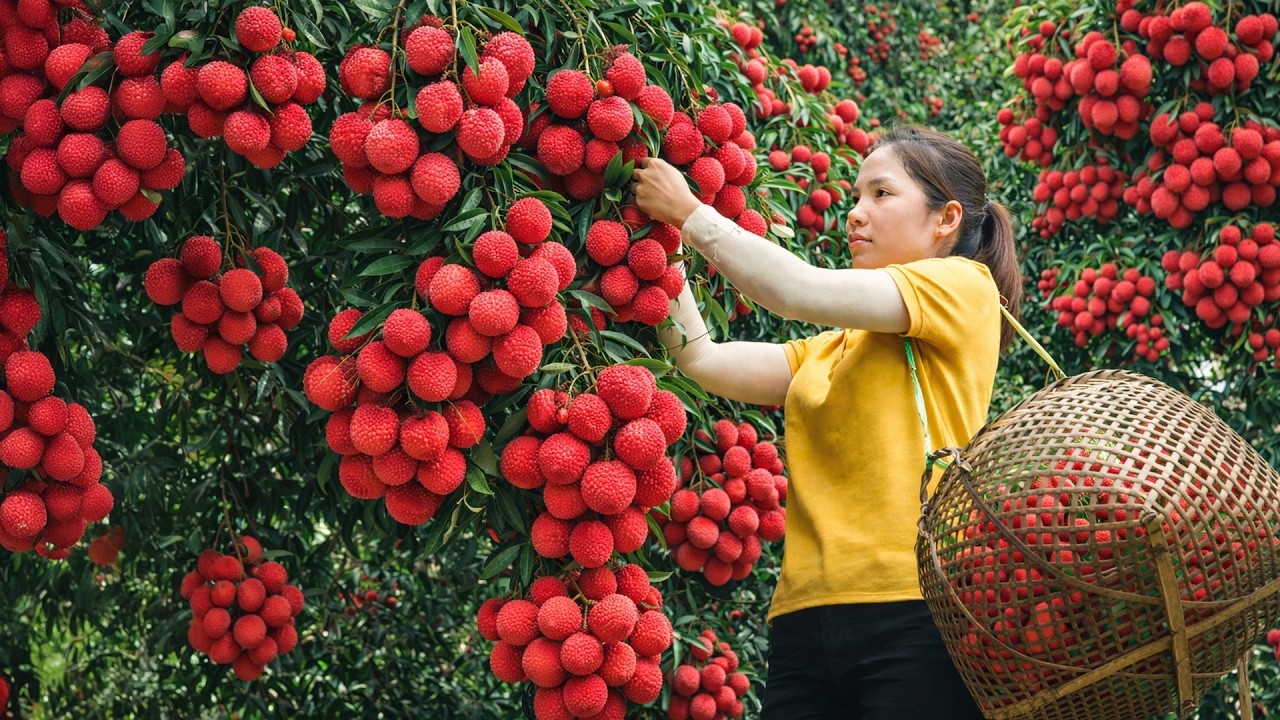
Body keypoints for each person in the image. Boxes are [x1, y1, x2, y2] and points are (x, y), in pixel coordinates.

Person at [630, 124, 1023, 720]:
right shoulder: (832, 349)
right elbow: (701, 358)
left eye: (881, 195)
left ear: (945, 219)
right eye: (855, 197)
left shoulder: (963, 287)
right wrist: (663, 244)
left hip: (916, 613)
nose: (856, 214)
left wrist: (690, 212)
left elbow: (795, 289)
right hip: (804, 619)